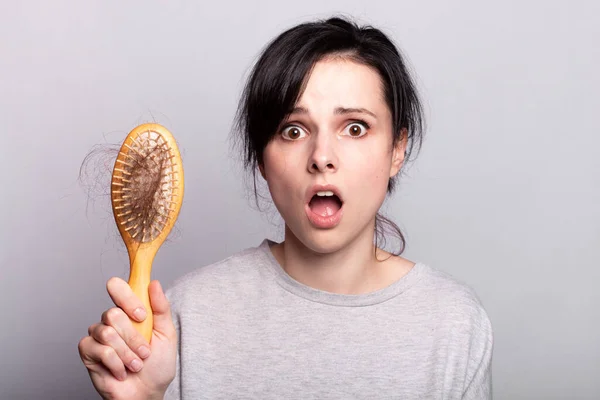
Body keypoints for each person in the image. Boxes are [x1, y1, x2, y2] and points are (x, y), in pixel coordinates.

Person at [78, 16, 493, 400]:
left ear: (397, 149)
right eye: (293, 130)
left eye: (355, 127)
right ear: (261, 158)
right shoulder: (185, 316)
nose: (322, 156)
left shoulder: (453, 323)